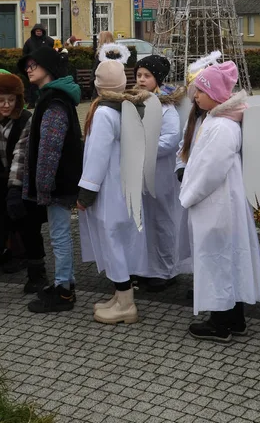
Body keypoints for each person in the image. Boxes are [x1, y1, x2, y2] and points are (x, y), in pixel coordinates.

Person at [179, 61, 260, 343]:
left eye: (200, 91)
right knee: (226, 259)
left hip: (216, 204)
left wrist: (189, 195)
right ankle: (233, 318)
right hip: (219, 202)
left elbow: (210, 169)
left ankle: (220, 323)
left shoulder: (222, 127)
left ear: (215, 93)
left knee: (217, 260)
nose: (195, 97)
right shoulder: (217, 121)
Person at [77, 54, 149, 325]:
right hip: (126, 188)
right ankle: (120, 298)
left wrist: (86, 192)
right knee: (120, 240)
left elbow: (97, 156)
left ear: (98, 86)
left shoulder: (105, 113)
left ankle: (126, 304)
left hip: (109, 190)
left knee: (112, 241)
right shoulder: (130, 109)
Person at [0, 71, 47, 308]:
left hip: (22, 184)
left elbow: (21, 155)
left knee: (29, 230)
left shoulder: (26, 120)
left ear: (18, 100)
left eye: (11, 100)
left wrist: (15, 188)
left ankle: (37, 275)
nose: (6, 105)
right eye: (1, 100)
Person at [17, 46, 82, 313]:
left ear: (48, 67)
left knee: (59, 235)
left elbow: (50, 148)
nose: (29, 69)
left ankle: (63, 291)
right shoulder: (53, 97)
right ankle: (64, 282)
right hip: (59, 180)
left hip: (57, 182)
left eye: (34, 64)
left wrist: (43, 185)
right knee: (59, 234)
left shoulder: (54, 101)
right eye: (27, 66)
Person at [133, 55, 185, 291]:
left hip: (160, 173)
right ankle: (146, 266)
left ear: (158, 79)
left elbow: (171, 139)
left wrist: (142, 147)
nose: (142, 80)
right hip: (140, 173)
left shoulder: (166, 107)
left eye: (147, 76)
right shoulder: (135, 102)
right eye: (139, 75)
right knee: (143, 220)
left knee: (162, 219)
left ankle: (166, 269)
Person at [22, 24, 54, 108]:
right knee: (33, 85)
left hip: (46, 66)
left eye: (40, 31)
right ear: (34, 32)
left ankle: (47, 101)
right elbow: (24, 53)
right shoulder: (29, 42)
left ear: (43, 32)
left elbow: (55, 50)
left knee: (46, 83)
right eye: (37, 31)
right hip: (33, 66)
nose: (38, 32)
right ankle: (32, 102)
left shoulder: (49, 41)